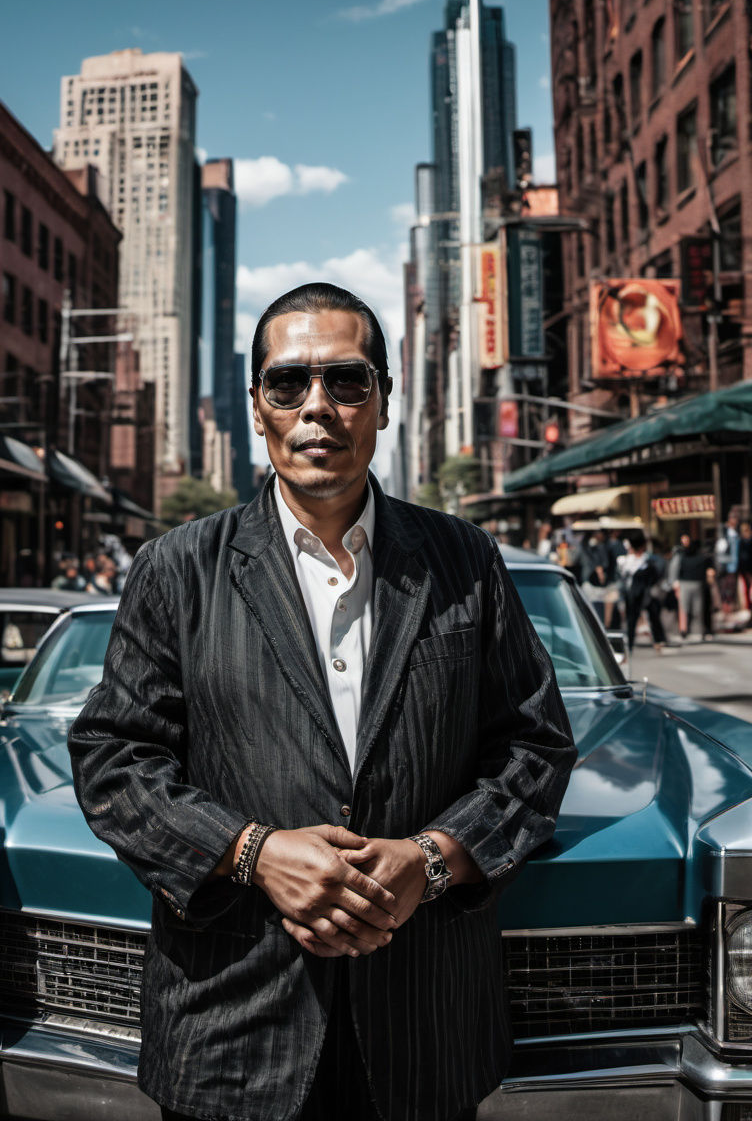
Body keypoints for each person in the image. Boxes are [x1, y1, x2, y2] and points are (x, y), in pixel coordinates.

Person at [68, 283, 577, 1121]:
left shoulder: (468, 562)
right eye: (288, 384)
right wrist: (252, 852)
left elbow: (537, 747)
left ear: (383, 399)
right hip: (230, 1028)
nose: (318, 408)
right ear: (258, 406)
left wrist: (435, 859)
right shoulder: (178, 567)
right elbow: (113, 759)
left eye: (346, 382)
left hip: (425, 1026)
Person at [617, 530, 667, 652]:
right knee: (647, 617)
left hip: (636, 593)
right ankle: (658, 642)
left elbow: (622, 578)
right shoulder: (647, 560)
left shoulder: (628, 561)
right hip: (643, 593)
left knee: (634, 619)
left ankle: (631, 645)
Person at [671, 533, 715, 640]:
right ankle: (684, 630)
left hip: (698, 584)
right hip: (684, 583)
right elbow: (674, 569)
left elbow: (709, 568)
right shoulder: (679, 554)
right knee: (684, 609)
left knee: (698, 609)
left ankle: (700, 631)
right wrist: (675, 582)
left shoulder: (701, 555)